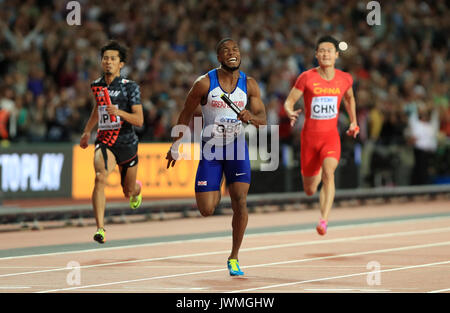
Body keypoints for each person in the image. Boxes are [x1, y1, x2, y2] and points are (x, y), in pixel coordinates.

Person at [166, 38, 266, 276]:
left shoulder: (249, 84)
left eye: (235, 50)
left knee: (240, 201)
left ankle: (234, 257)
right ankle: (217, 182)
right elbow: (185, 113)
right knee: (206, 209)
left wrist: (250, 116)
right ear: (219, 58)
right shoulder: (203, 84)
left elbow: (263, 119)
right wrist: (176, 143)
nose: (232, 53)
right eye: (226, 50)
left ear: (240, 56)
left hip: (236, 150)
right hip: (211, 151)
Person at [283, 35, 359, 236]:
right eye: (322, 51)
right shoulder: (306, 77)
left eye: (329, 50)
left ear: (336, 55)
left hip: (330, 138)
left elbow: (350, 99)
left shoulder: (345, 78)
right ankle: (314, 175)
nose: (325, 54)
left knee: (329, 173)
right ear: (316, 55)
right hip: (309, 140)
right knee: (309, 189)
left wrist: (353, 121)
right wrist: (290, 110)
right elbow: (289, 101)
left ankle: (323, 219)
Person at [80, 41, 144, 244]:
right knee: (100, 177)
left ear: (121, 64)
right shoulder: (96, 85)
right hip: (105, 140)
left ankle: (137, 189)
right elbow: (97, 110)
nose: (108, 62)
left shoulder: (130, 87)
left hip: (127, 143)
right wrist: (86, 131)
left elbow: (139, 120)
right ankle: (100, 228)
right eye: (105, 58)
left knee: (128, 191)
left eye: (113, 59)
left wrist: (120, 113)